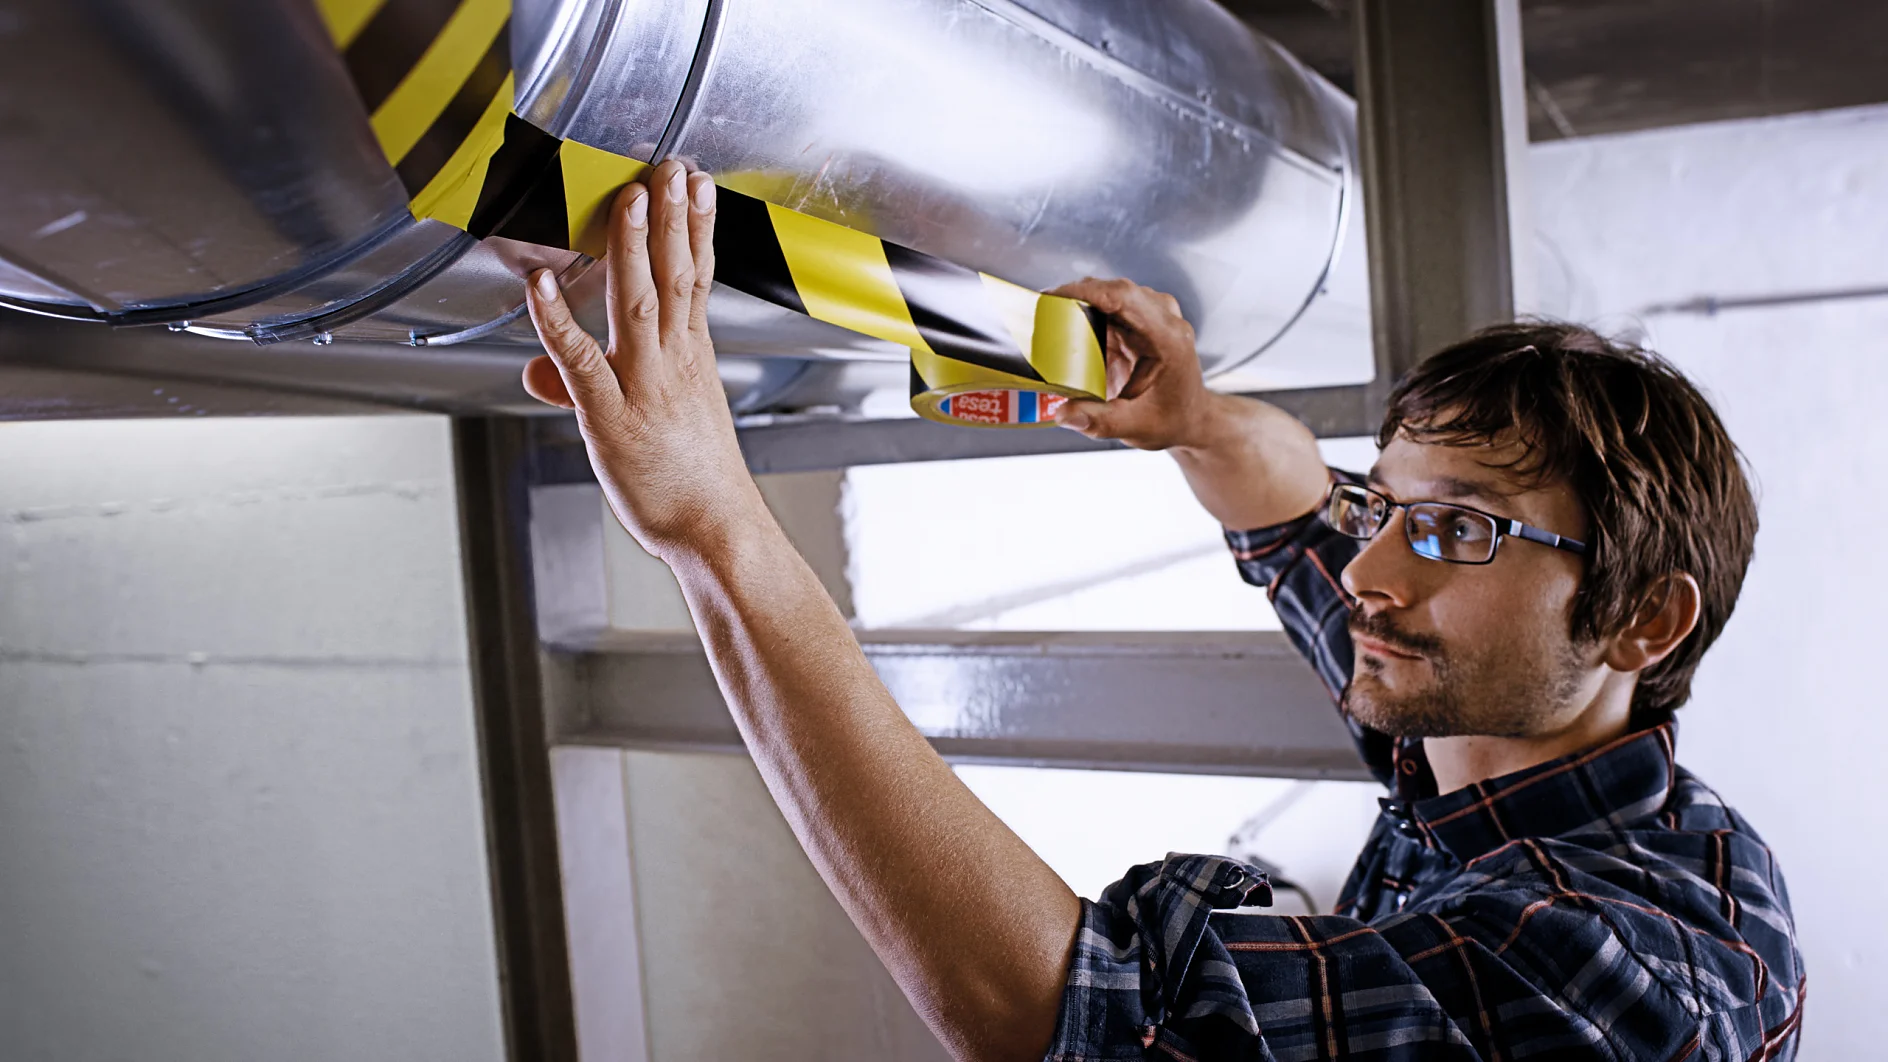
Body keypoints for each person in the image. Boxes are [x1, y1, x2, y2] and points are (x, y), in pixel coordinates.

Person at [519, 161, 1805, 1061]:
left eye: (1461, 529)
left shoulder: (1619, 980)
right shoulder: (1486, 736)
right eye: (1388, 505)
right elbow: (1295, 504)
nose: (1370, 574)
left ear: (1643, 619)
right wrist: (1187, 421)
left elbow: (1059, 1012)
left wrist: (717, 536)